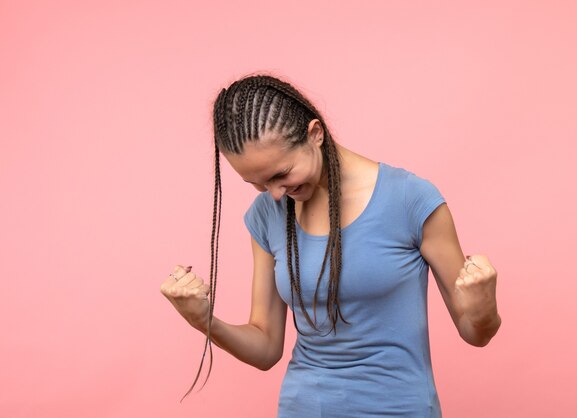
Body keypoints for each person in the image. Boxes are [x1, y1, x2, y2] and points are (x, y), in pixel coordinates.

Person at [160, 73, 502, 416]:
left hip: (399, 408)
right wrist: (204, 321)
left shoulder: (410, 199)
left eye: (281, 174)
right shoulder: (267, 214)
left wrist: (483, 303)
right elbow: (265, 348)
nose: (275, 194)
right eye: (257, 184)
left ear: (315, 134)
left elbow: (476, 333)